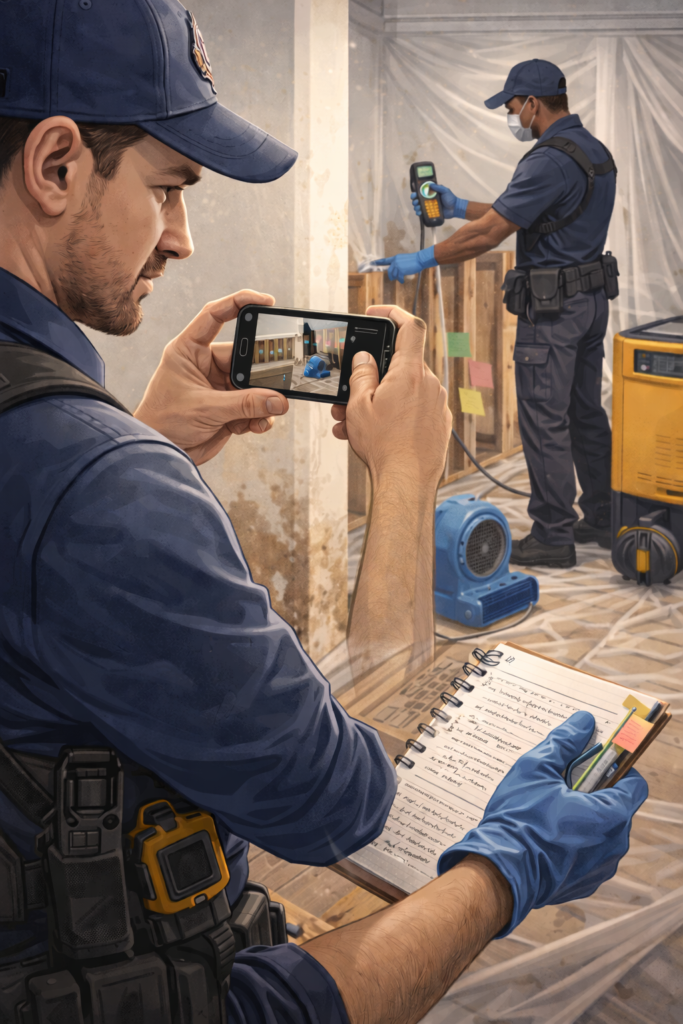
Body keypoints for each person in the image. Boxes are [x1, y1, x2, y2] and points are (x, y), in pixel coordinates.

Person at [0, 10, 645, 1023]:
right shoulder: (98, 482)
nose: (182, 238)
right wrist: (403, 480)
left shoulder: (70, 455)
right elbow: (341, 802)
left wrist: (139, 444)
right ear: (54, 164)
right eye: (168, 189)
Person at [376, 59, 617, 569]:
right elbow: (537, 211)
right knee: (584, 414)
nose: (512, 116)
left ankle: (554, 534)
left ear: (532, 104)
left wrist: (422, 257)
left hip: (552, 312)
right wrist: (460, 205)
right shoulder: (592, 153)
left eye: (512, 107)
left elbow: (495, 233)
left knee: (543, 419)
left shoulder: (546, 160)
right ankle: (600, 515)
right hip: (590, 304)